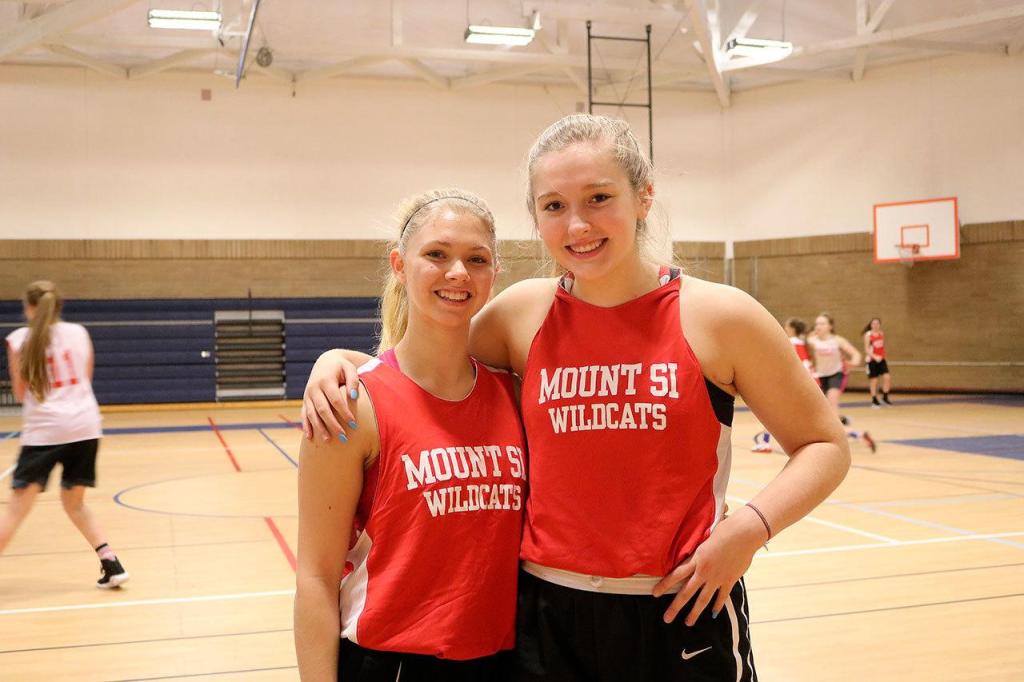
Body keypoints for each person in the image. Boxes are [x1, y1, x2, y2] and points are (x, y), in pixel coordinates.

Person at [302, 115, 851, 681]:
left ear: (643, 198)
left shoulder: (719, 316)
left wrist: (749, 530)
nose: (577, 224)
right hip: (547, 614)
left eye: (598, 197)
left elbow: (825, 444)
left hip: (680, 605)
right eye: (554, 206)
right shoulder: (523, 314)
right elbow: (423, 359)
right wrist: (339, 363)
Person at [293, 189, 527, 682]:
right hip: (393, 664)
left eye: (476, 259)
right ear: (400, 265)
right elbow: (315, 577)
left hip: (505, 660)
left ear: (493, 274)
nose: (458, 272)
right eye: (437, 255)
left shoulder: (516, 393)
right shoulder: (351, 403)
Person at [1, 281, 129, 588]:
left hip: (45, 432)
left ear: (28, 307)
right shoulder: (79, 332)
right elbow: (84, 379)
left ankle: (111, 564)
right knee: (75, 503)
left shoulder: (19, 339)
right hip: (85, 426)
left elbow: (20, 393)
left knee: (17, 509)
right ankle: (111, 563)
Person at [808, 312, 876, 452]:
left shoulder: (837, 340)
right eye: (817, 323)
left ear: (830, 326)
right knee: (823, 410)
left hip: (836, 375)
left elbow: (856, 355)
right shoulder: (812, 340)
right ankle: (843, 422)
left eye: (822, 323)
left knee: (832, 407)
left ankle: (849, 434)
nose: (818, 326)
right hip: (820, 376)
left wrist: (852, 363)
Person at [752, 317, 814, 453]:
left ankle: (765, 441)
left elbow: (796, 363)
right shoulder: (800, 343)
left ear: (791, 329)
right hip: (801, 383)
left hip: (790, 383)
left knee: (773, 414)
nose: (784, 329)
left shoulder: (791, 342)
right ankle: (766, 440)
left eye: (786, 327)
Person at [863, 317, 893, 407]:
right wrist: (875, 356)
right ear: (871, 325)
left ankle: (885, 397)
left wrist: (883, 357)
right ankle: (874, 400)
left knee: (887, 377)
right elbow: (867, 349)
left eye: (877, 324)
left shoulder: (881, 334)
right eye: (873, 324)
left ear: (879, 325)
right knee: (874, 380)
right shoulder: (868, 335)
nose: (875, 325)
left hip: (881, 359)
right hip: (871, 360)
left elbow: (881, 348)